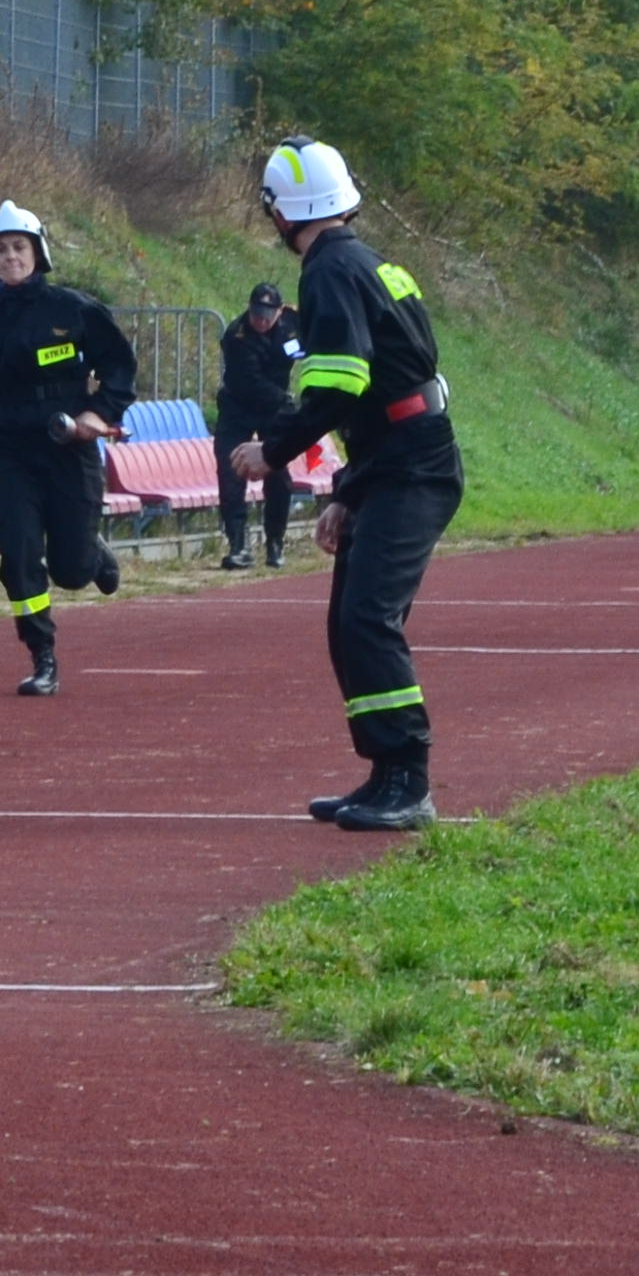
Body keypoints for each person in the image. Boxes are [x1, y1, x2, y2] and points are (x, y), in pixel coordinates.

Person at [235, 139, 459, 831]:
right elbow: (384, 388)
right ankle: (386, 773)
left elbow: (341, 385)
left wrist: (272, 450)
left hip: (410, 466)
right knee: (349, 623)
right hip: (397, 459)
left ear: (280, 212)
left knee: (367, 619)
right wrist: (348, 491)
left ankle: (410, 781)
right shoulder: (363, 262)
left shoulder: (329, 271)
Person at [0, 202, 138, 697]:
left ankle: (91, 554)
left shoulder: (74, 309)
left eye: (18, 247)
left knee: (71, 570)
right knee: (19, 554)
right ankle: (42, 655)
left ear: (37, 252)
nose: (10, 257)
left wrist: (98, 414)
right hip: (12, 452)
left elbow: (119, 365)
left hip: (70, 449)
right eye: (0, 250)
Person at [213, 278, 301, 570]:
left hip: (274, 411)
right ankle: (238, 545)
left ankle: (275, 542)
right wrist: (287, 401)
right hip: (239, 407)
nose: (260, 321)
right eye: (256, 314)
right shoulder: (237, 336)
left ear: (279, 312)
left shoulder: (291, 323)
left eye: (267, 315)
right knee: (231, 473)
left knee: (278, 474)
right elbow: (250, 383)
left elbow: (309, 343)